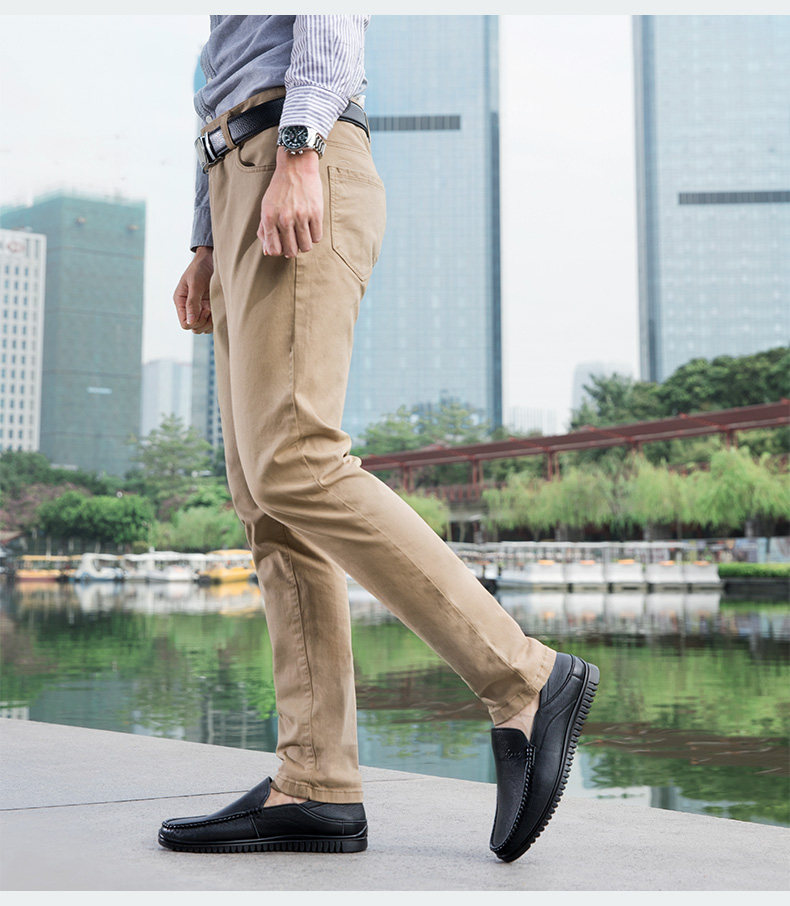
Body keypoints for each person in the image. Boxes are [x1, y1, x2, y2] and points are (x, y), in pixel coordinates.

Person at [158, 14, 599, 862]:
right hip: (239, 170)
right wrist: (206, 238)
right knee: (266, 501)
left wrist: (298, 150)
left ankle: (525, 677)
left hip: (295, 150)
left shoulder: (301, 143)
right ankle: (315, 782)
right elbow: (221, 75)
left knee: (296, 459)